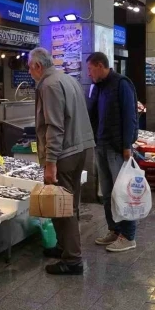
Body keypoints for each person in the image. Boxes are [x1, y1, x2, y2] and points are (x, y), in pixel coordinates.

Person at [29, 48, 95, 275]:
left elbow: (54, 127)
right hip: (80, 148)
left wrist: (50, 162)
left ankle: (73, 260)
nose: (30, 72)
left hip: (65, 154)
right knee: (70, 204)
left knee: (62, 207)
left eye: (29, 67)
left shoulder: (48, 85)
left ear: (38, 66)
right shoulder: (68, 79)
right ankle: (63, 246)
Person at [86, 52, 139, 253]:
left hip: (117, 148)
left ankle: (128, 236)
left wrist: (127, 145)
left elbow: (130, 116)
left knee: (122, 194)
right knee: (107, 193)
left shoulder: (121, 84)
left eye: (90, 69)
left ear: (100, 65)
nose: (89, 74)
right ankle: (114, 230)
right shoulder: (98, 87)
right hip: (101, 145)